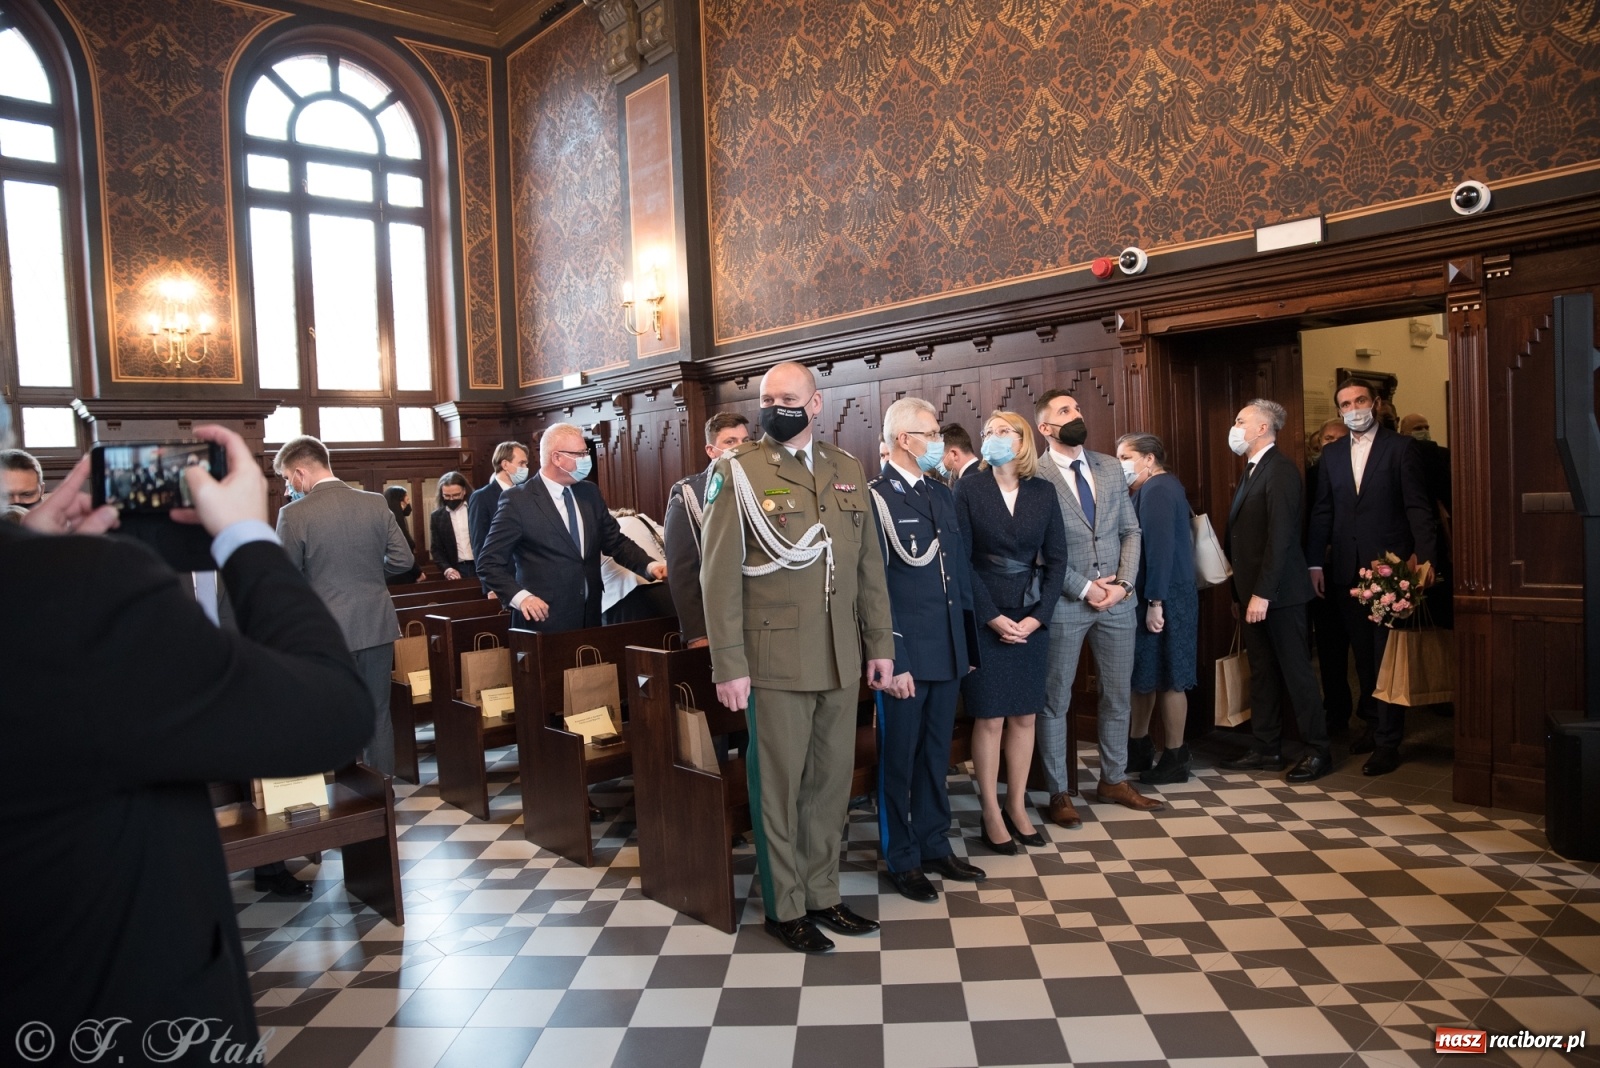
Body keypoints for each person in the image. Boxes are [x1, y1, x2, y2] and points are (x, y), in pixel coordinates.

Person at [2, 418, 371, 1063]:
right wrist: (247, 538)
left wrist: (29, 546)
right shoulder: (80, 588)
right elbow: (333, 713)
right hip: (117, 1012)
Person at [699, 360, 894, 954]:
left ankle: (823, 894)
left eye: (788, 397)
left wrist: (880, 643)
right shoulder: (738, 471)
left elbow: (867, 567)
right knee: (779, 786)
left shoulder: (846, 468)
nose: (775, 405)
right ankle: (786, 906)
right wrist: (728, 663)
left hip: (840, 653)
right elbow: (718, 578)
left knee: (831, 785)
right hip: (773, 655)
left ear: (815, 404)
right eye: (767, 396)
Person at [870, 398, 986, 900]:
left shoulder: (941, 495)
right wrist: (895, 660)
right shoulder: (876, 497)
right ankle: (901, 855)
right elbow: (874, 589)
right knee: (900, 758)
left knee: (936, 755)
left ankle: (935, 842)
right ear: (904, 440)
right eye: (931, 432)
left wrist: (967, 645)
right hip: (906, 655)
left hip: (947, 648)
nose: (939, 440)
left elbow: (956, 576)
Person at [1032, 390, 1161, 816]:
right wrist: (1086, 588)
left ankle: (1114, 779)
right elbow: (1038, 551)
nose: (1077, 414)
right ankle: (1058, 792)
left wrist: (1123, 585)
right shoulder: (1035, 474)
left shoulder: (1108, 467)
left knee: (1117, 695)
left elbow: (1132, 531)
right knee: (1056, 699)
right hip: (1067, 602)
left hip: (1119, 602)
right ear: (1045, 428)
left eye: (1078, 406)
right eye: (1065, 411)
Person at [1307, 379, 1437, 775]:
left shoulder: (1401, 448)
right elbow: (1323, 512)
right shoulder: (1330, 456)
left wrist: (1425, 560)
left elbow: (1419, 508)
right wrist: (1314, 563)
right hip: (1346, 568)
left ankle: (1388, 742)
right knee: (1362, 657)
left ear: (1376, 404)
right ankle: (1373, 725)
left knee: (1386, 659)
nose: (1353, 408)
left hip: (1390, 571)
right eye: (1345, 403)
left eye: (1360, 400)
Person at [954, 411, 1069, 852]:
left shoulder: (1043, 491)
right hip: (987, 616)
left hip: (1031, 613)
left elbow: (1058, 559)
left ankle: (1017, 805)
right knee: (991, 717)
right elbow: (961, 560)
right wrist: (989, 616)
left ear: (1022, 439)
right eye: (987, 432)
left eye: (1003, 431)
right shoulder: (968, 488)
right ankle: (989, 810)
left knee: (1025, 715)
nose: (993, 437)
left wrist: (1039, 616)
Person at [275, 435, 415, 780]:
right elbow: (403, 561)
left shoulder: (293, 514)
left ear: (300, 472)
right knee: (378, 712)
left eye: (286, 479)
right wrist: (367, 574)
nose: (287, 487)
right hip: (376, 622)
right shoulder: (374, 503)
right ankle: (383, 797)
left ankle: (348, 800)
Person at [1220, 401, 1333, 783]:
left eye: (1240, 421)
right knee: (1263, 673)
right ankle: (1266, 747)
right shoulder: (1252, 470)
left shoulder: (1280, 470)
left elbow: (1281, 538)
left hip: (1279, 596)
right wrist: (1240, 595)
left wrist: (1262, 594)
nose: (1234, 427)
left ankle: (1319, 751)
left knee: (1297, 674)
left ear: (1263, 427)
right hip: (1253, 594)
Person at [478, 422, 665, 633]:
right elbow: (488, 562)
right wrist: (521, 598)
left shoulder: (589, 493)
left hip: (591, 615)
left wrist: (649, 566)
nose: (587, 459)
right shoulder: (518, 500)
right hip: (543, 620)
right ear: (556, 458)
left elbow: (615, 542)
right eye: (580, 454)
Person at [1115, 433, 1199, 784]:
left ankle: (1176, 756)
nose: (1120, 463)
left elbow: (1160, 551)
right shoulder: (1149, 489)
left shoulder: (1159, 489)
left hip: (1165, 596)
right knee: (1146, 675)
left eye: (1126, 456)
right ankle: (1139, 746)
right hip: (1155, 593)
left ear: (1149, 459)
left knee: (1170, 677)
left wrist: (1155, 603)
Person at [663, 412, 751, 646]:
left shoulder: (762, 485)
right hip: (717, 622)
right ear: (711, 451)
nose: (739, 448)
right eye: (730, 442)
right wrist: (697, 634)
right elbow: (683, 571)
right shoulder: (689, 493)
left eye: (746, 441)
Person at [1305, 418, 1352, 738]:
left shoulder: (1358, 474)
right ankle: (1336, 714)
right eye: (1327, 438)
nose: (1332, 444)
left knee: (1364, 652)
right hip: (1320, 573)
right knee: (1330, 651)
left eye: (1340, 439)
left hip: (1354, 570)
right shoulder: (1307, 476)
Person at [467, 440, 528, 594]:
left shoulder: (527, 494)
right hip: (502, 578)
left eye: (526, 464)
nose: (525, 468)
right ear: (505, 464)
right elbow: (479, 543)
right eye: (521, 463)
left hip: (528, 577)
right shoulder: (482, 497)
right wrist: (490, 586)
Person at [600, 507, 674, 624]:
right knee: (670, 638)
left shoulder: (598, 528)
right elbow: (671, 543)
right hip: (661, 588)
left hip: (618, 598)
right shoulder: (643, 520)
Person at [429, 471, 476, 580]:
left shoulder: (475, 509)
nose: (451, 499)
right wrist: (447, 569)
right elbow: (436, 549)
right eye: (447, 496)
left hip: (479, 565)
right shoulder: (437, 517)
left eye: (455, 495)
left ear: (464, 491)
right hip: (456, 569)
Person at [383, 485, 424, 585]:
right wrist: (418, 572)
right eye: (407, 500)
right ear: (400, 503)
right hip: (402, 576)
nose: (408, 504)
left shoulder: (387, 520)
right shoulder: (395, 523)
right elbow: (405, 551)